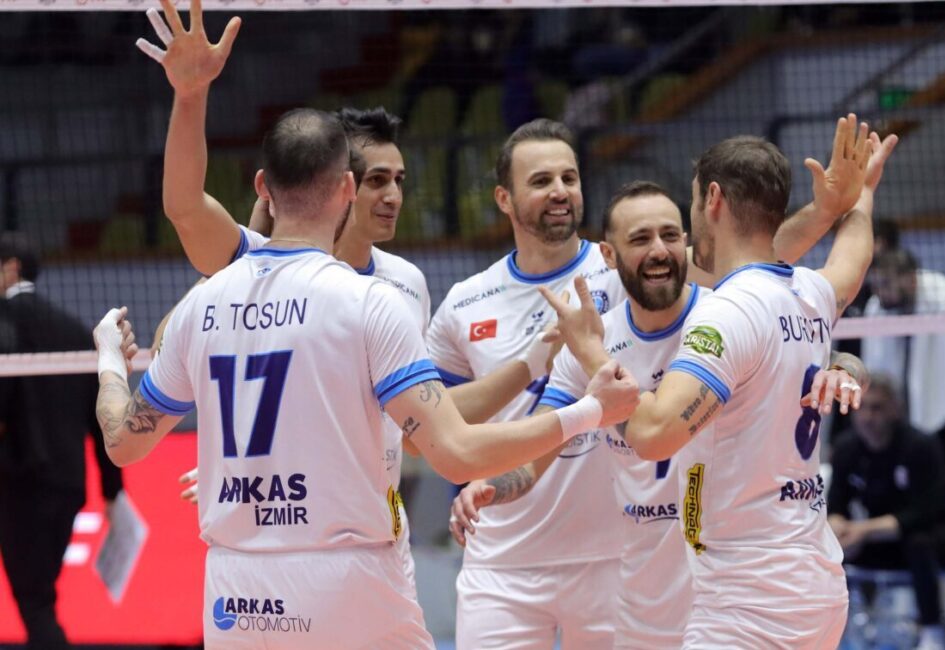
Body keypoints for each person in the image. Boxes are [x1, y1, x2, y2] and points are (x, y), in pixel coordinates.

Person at [92, 103, 639, 648]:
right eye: (377, 180)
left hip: (235, 585)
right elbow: (454, 451)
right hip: (343, 570)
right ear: (347, 188)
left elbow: (121, 441)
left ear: (262, 186)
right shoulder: (370, 301)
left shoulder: (202, 303)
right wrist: (590, 410)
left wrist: (111, 361)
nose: (393, 194)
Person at [429, 113, 881, 649]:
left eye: (673, 230)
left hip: (745, 586)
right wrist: (860, 197)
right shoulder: (807, 291)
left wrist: (589, 352)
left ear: (710, 204)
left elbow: (653, 434)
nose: (661, 250)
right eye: (641, 239)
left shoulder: (718, 312)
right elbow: (850, 266)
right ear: (611, 256)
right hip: (797, 575)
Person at [0, 232, 124, 650]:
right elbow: (103, 418)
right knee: (40, 594)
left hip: (19, 486)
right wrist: (112, 490)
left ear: (11, 267)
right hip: (68, 486)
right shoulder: (76, 332)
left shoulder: (4, 321)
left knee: (34, 602)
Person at [828, 374, 945, 650]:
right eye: (861, 408)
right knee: (829, 546)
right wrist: (838, 531)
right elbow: (835, 505)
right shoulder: (846, 448)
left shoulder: (921, 445)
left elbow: (922, 513)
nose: (868, 418)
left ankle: (932, 630)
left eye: (877, 408)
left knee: (920, 541)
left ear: (895, 409)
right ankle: (829, 628)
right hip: (881, 534)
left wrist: (862, 530)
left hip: (937, 529)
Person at [861, 248, 945, 488]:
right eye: (875, 285)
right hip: (902, 429)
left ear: (910, 279)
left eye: (886, 284)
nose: (879, 292)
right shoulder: (877, 307)